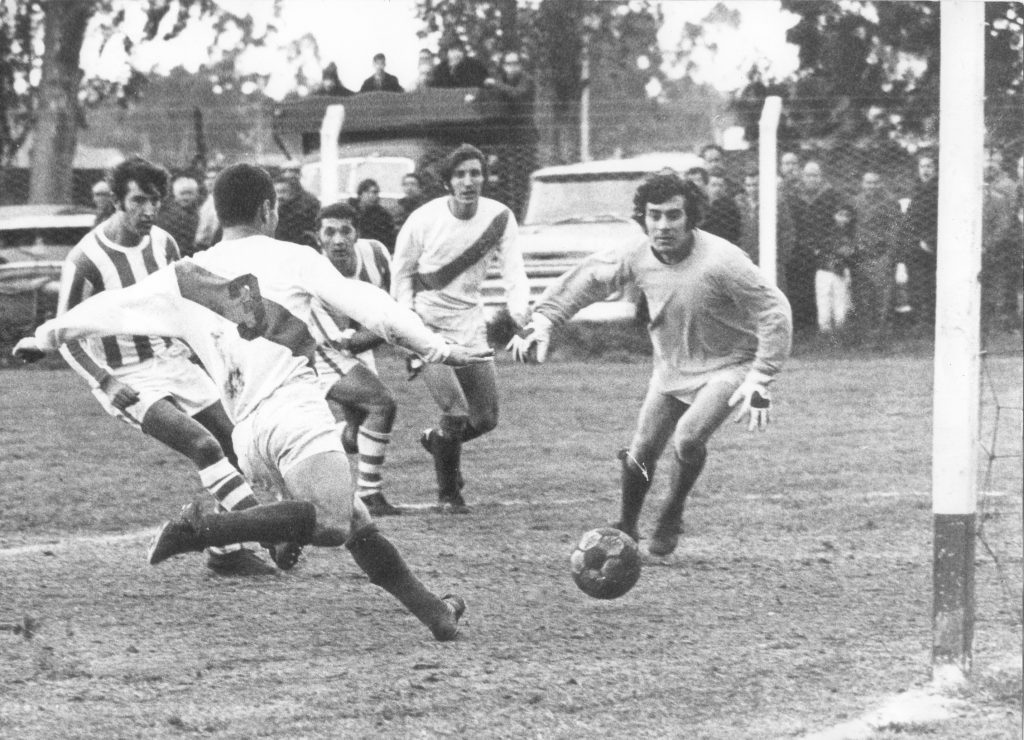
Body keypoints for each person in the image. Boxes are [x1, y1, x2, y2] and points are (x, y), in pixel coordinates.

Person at [17, 162, 496, 641]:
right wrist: (438, 348)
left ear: (219, 212)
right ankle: (205, 529)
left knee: (354, 520)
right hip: (294, 415)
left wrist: (45, 336)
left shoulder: (181, 275)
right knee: (330, 522)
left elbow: (109, 308)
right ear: (269, 209)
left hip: (247, 436)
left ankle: (436, 613)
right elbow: (371, 305)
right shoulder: (293, 257)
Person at [508, 172, 791, 556]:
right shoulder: (636, 253)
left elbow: (774, 309)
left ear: (692, 218)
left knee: (689, 437)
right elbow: (590, 279)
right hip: (671, 367)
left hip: (731, 364)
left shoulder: (723, 260)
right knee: (641, 451)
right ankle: (627, 524)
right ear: (642, 218)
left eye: (674, 215)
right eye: (654, 215)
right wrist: (545, 319)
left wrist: (761, 376)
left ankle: (673, 510)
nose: (663, 225)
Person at [57, 156, 273, 576]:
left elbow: (181, 304)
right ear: (117, 201)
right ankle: (273, 533)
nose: (149, 211)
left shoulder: (164, 243)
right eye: (139, 200)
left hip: (172, 362)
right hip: (129, 378)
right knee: (204, 446)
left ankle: (226, 551)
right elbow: (62, 334)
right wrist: (104, 380)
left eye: (155, 201)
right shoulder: (85, 259)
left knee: (235, 442)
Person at [391, 144, 528, 513]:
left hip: (469, 324)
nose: (469, 181)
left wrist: (520, 314)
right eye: (460, 175)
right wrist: (407, 326)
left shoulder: (500, 216)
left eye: (475, 173)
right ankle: (448, 495)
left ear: (484, 177)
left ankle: (438, 444)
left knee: (484, 419)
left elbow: (513, 271)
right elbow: (401, 271)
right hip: (427, 325)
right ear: (448, 182)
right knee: (454, 411)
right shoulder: (423, 218)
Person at [310, 202, 402, 516]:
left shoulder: (376, 254)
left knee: (357, 432)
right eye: (329, 232)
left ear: (357, 233)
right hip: (323, 351)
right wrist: (398, 331)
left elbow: (390, 303)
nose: (338, 239)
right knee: (382, 404)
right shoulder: (313, 272)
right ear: (318, 238)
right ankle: (370, 494)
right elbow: (340, 341)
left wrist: (393, 325)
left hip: (357, 344)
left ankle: (310, 445)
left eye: (345, 230)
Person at [482, 50, 538, 218]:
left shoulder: (527, 81)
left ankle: (526, 215)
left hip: (524, 137)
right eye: (508, 64)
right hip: (506, 137)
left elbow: (517, 94)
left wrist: (496, 84)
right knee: (504, 178)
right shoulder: (501, 81)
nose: (511, 68)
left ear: (520, 66)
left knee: (524, 177)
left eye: (515, 64)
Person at [788, 160, 841, 335]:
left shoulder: (831, 195)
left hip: (824, 247)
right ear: (803, 177)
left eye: (815, 175)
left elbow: (835, 222)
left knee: (824, 289)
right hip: (801, 246)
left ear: (821, 177)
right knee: (801, 286)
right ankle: (803, 325)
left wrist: (824, 244)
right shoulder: (794, 196)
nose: (812, 178)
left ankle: (824, 326)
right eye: (808, 175)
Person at [850, 170, 901, 346]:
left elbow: (894, 230)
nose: (871, 186)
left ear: (880, 184)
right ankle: (863, 338)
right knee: (863, 300)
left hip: (881, 256)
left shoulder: (889, 202)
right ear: (862, 184)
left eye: (874, 183)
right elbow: (851, 228)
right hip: (861, 257)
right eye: (867, 182)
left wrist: (889, 255)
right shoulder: (855, 202)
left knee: (883, 301)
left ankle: (882, 339)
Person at [735, 168, 794, 291]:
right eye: (748, 185)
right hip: (745, 258)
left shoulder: (776, 203)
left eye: (755, 185)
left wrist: (781, 257)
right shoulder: (738, 203)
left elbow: (787, 230)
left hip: (771, 259)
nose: (752, 189)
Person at [897, 152, 939, 327]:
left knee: (929, 281)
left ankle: (929, 319)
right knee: (915, 281)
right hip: (913, 243)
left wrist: (929, 240)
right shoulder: (914, 188)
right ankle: (918, 318)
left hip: (930, 244)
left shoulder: (939, 189)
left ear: (935, 169)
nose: (926, 170)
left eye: (929, 166)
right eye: (923, 166)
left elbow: (940, 217)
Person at [815, 203, 856, 337]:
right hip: (824, 270)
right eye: (840, 215)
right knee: (823, 301)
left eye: (847, 216)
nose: (843, 219)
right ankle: (824, 331)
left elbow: (850, 253)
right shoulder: (825, 232)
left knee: (840, 301)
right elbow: (818, 250)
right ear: (834, 216)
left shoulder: (851, 234)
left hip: (841, 271)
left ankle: (840, 330)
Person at [273, 166, 320, 250]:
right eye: (277, 192)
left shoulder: (309, 202)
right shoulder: (274, 209)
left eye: (283, 192)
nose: (279, 196)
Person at [155, 175, 201, 256]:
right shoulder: (170, 214)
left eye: (190, 193)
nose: (186, 197)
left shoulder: (196, 212)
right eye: (182, 193)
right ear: (175, 195)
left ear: (196, 195)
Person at [348, 178, 396, 252]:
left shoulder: (383, 216)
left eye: (375, 193)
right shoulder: (350, 212)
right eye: (367, 192)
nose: (371, 196)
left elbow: (389, 239)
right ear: (360, 194)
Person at [700, 168, 741, 243]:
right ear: (706, 187)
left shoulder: (730, 208)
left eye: (720, 185)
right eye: (714, 185)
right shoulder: (700, 206)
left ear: (725, 188)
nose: (717, 189)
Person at [193, 165, 222, 253]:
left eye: (214, 178)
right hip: (199, 247)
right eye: (208, 179)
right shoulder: (202, 201)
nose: (210, 182)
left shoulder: (224, 202)